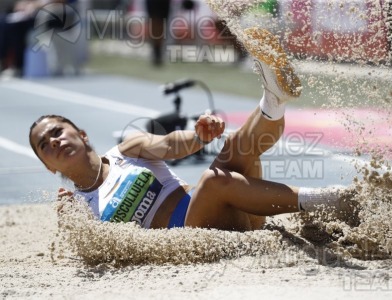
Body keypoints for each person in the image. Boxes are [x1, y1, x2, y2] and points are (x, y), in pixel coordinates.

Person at [29, 27, 355, 231]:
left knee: (236, 150)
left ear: (81, 134)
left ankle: (274, 100)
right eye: (44, 144)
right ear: (47, 165)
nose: (54, 141)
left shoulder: (127, 150)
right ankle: (325, 200)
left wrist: (199, 136)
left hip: (236, 212)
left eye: (57, 131)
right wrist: (72, 225)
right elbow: (94, 259)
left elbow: (171, 145)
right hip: (194, 233)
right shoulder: (77, 207)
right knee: (213, 181)